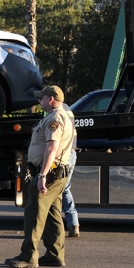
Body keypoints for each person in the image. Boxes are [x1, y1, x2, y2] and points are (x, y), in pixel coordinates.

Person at [5, 85, 74, 268]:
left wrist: (42, 174)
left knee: (34, 213)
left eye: (41, 98)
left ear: (50, 99)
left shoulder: (55, 118)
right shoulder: (60, 116)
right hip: (57, 173)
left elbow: (52, 148)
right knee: (52, 215)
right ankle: (55, 255)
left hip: (49, 173)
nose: (39, 101)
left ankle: (28, 256)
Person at [61, 102, 80, 238]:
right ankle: (73, 223)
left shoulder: (57, 112)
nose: (39, 101)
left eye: (41, 98)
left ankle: (72, 222)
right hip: (71, 152)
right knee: (64, 187)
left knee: (60, 188)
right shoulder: (66, 108)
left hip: (64, 154)